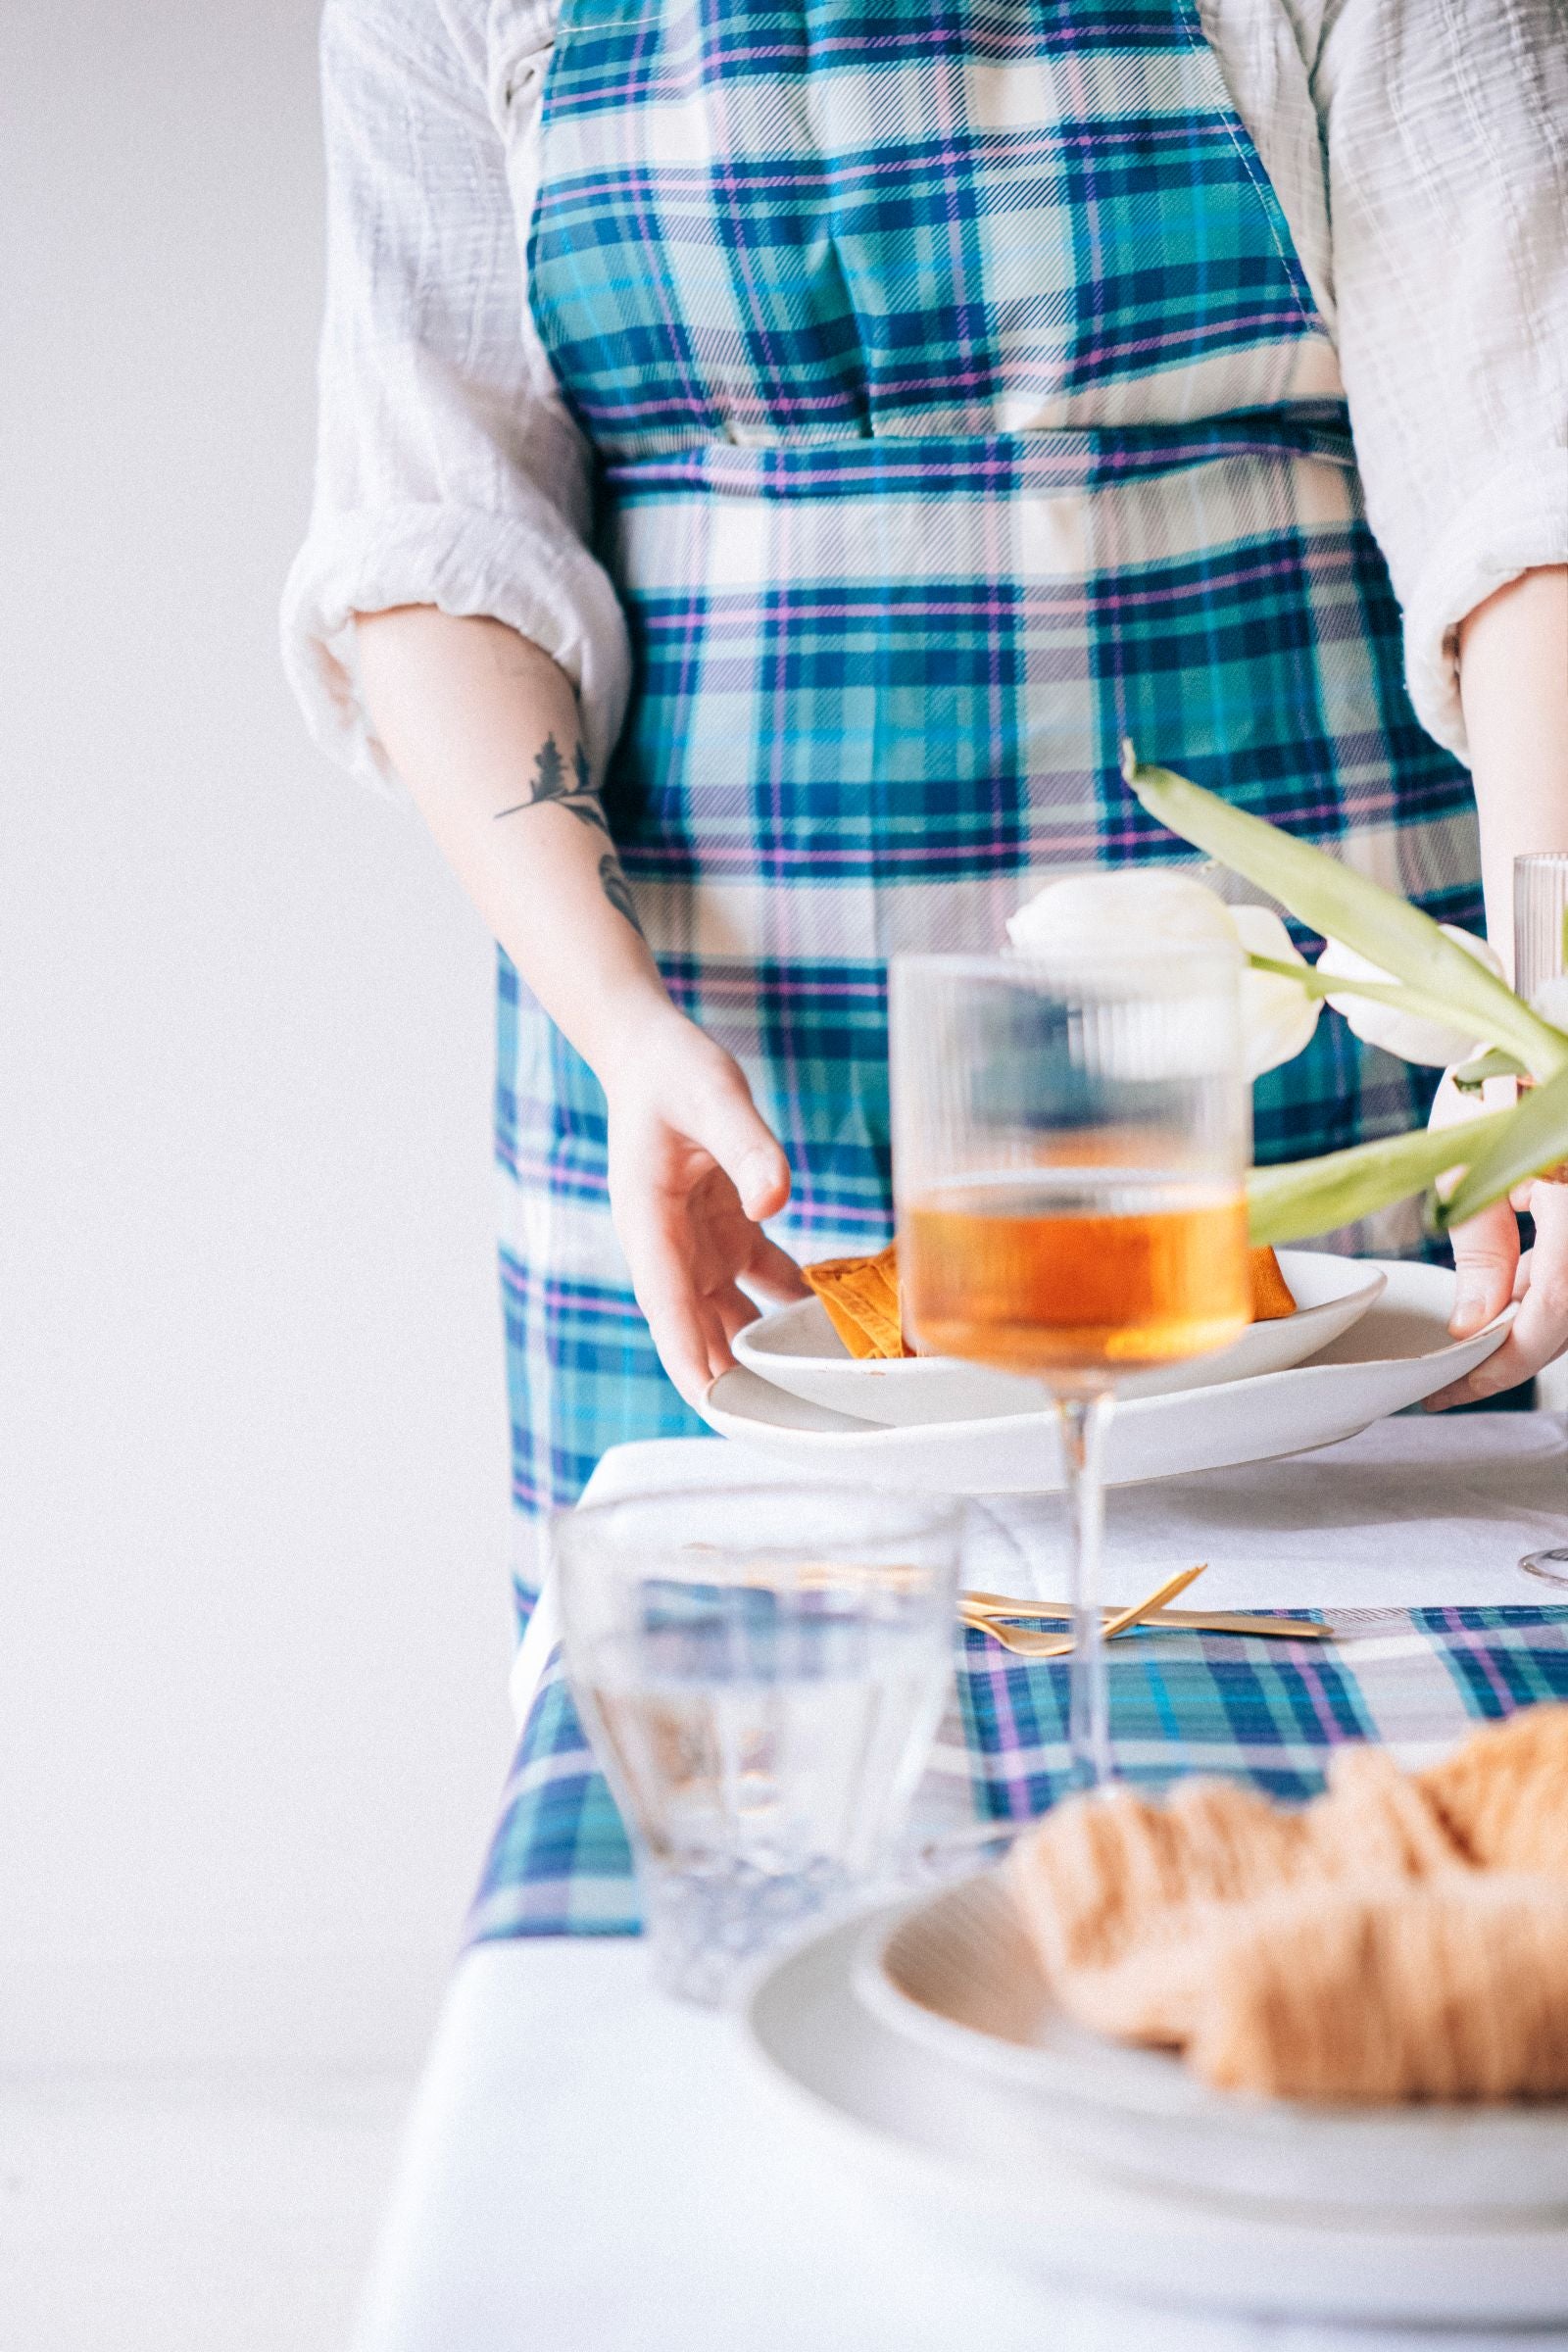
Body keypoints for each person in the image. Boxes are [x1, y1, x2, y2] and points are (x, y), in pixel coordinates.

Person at [285, 0, 1568, 1615]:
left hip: (1310, 1086)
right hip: (710, 1102)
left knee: (1358, 1790)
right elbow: (430, 531)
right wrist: (617, 1023)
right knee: (773, 1786)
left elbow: (1530, 467)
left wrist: (1550, 1022)